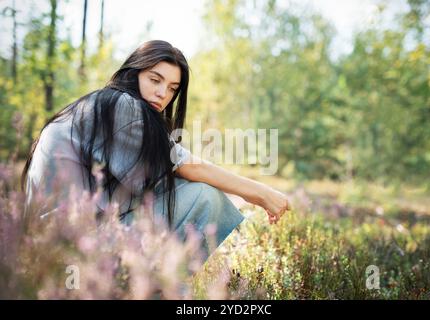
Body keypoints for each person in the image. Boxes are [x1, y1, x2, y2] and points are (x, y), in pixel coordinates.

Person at [21, 40, 290, 261]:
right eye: (155, 80)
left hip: (52, 246)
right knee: (205, 197)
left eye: (172, 88)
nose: (163, 94)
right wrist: (260, 193)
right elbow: (187, 166)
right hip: (69, 250)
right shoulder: (121, 105)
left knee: (183, 189)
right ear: (133, 73)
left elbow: (162, 176)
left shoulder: (100, 104)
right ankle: (164, 290)